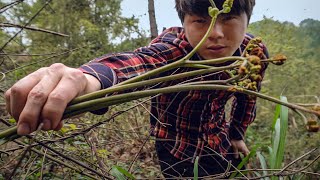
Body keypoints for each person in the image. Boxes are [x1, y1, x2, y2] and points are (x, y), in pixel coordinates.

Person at [5, 0, 268, 178]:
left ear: (247, 19)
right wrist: (86, 80)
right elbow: (137, 62)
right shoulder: (173, 49)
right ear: (185, 22)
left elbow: (249, 97)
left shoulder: (253, 54)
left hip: (219, 140)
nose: (217, 33)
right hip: (176, 147)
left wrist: (236, 134)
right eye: (201, 21)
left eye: (230, 18)